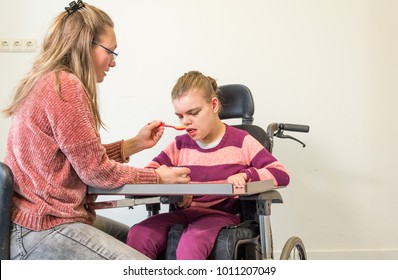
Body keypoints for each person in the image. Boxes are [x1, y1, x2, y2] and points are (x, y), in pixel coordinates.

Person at [2, 1, 190, 260]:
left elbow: (74, 159)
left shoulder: (49, 80)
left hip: (34, 222)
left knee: (143, 242)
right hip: (42, 227)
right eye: (110, 51)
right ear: (84, 45)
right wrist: (159, 178)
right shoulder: (64, 86)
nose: (113, 62)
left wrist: (133, 144)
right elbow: (95, 171)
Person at [126, 70, 290, 260]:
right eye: (180, 116)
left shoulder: (242, 141)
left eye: (193, 113)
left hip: (221, 216)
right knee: (139, 233)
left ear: (213, 105)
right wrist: (175, 189)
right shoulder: (180, 145)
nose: (186, 121)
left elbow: (281, 173)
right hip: (185, 213)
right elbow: (149, 175)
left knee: (191, 244)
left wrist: (247, 176)